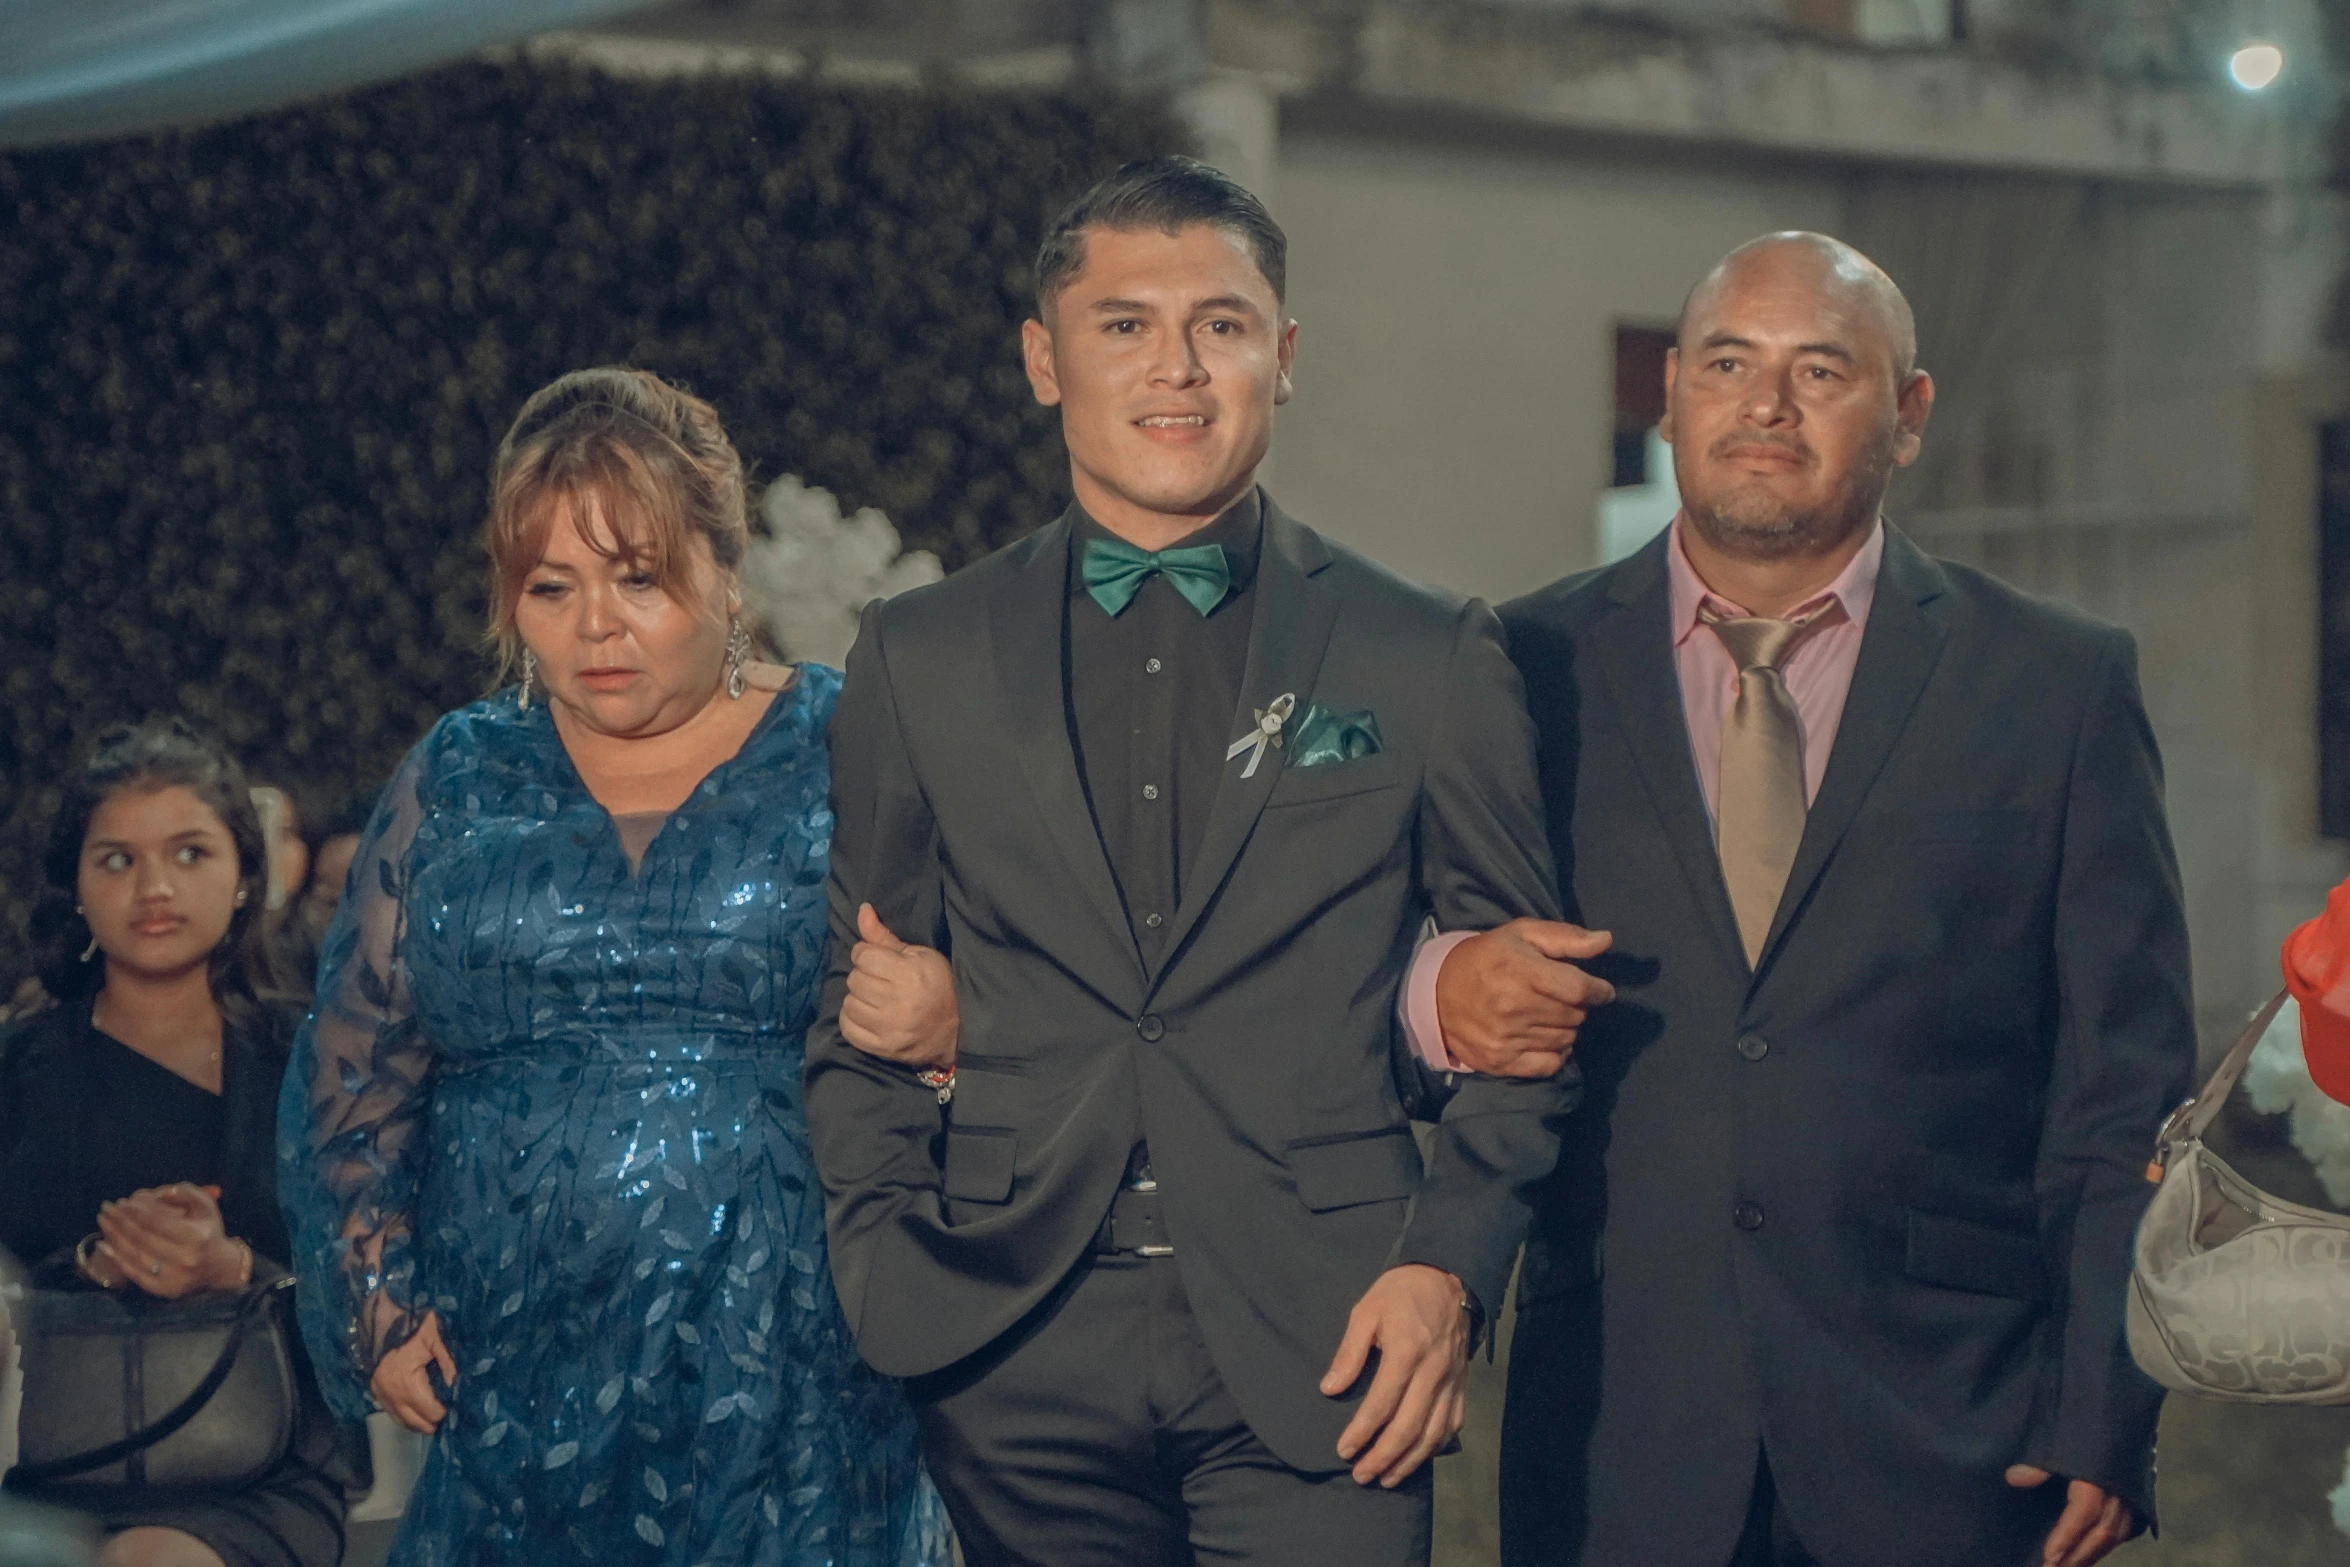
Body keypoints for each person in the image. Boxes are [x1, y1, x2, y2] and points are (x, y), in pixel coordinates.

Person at [805, 156, 1593, 1567]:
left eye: (1220, 324)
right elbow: (853, 1012)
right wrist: (889, 1265)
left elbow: (1526, 1020)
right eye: (1123, 324)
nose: (1176, 365)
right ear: (1043, 360)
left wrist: (1444, 1267)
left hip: (1333, 1342)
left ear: (1281, 358)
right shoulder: (915, 657)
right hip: (1009, 1345)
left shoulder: (1422, 650)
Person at [1423, 233, 2196, 1567]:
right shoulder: (1518, 663)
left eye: (1818, 369)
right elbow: (1423, 954)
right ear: (1667, 393)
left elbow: (2117, 1087)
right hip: (1617, 1416)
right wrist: (1441, 992)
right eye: (1727, 362)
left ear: (1906, 416)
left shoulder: (2056, 684)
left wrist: (2103, 1401)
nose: (1763, 404)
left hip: (1951, 1429)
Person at [276, 367, 952, 1567]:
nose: (596, 624)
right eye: (553, 585)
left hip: (799, 1377)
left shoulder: (844, 745)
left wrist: (953, 1022)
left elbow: (983, 986)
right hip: (512, 1381)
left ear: (724, 574)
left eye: (639, 577)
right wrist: (375, 1299)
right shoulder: (461, 772)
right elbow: (354, 1063)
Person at [0, 718, 350, 1567]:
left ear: (243, 877)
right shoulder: (19, 1066)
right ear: (76, 887)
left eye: (190, 853)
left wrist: (237, 1272)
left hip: (260, 1463)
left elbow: (375, 1282)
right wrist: (86, 1267)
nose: (155, 885)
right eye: (118, 859)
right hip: (46, 1458)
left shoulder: (313, 1060)